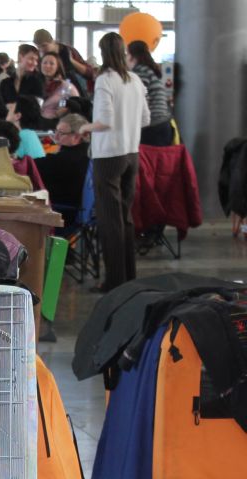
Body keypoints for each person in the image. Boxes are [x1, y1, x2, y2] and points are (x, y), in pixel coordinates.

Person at [78, 33, 149, 292]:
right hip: (132, 154)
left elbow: (105, 120)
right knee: (125, 218)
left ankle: (114, 282)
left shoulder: (105, 80)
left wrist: (85, 127)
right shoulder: (135, 80)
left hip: (109, 156)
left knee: (110, 221)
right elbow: (145, 118)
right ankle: (128, 276)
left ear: (104, 52)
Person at [35, 112, 91, 223]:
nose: (55, 137)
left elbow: (32, 166)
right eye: (56, 131)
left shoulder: (66, 160)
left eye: (61, 133)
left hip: (61, 213)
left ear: (76, 137)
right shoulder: (85, 154)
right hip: (75, 210)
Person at [126, 40, 172, 147]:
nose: (125, 58)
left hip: (152, 126)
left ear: (132, 56)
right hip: (162, 124)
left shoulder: (140, 71)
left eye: (126, 54)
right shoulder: (150, 71)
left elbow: (140, 99)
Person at [40, 51, 80, 126]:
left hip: (56, 125)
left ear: (58, 66)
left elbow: (78, 104)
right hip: (35, 125)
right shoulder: (34, 83)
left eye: (51, 63)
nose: (47, 66)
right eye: (44, 63)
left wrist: (64, 110)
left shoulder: (66, 86)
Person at [0, 44, 44, 108]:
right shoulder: (5, 83)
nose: (34, 63)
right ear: (20, 57)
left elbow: (38, 105)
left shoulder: (38, 81)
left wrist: (12, 107)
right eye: (31, 58)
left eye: (36, 60)